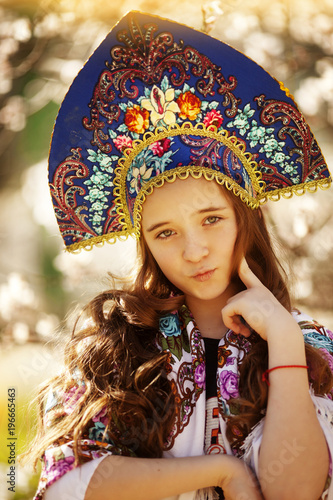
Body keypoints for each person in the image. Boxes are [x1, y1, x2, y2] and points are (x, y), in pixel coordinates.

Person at [22, 11, 333, 500]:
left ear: (245, 221)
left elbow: (296, 492)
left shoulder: (314, 347)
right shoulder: (110, 345)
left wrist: (286, 345)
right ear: (144, 242)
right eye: (165, 233)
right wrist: (221, 472)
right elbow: (68, 484)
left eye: (212, 219)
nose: (194, 251)